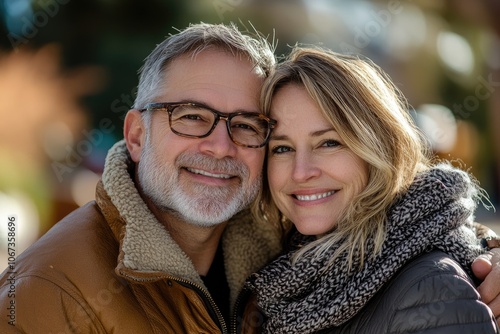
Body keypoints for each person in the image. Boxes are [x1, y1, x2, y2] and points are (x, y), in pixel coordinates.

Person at [0, 23, 498, 333]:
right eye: (191, 116)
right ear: (134, 134)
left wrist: (481, 258)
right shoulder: (49, 294)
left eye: (245, 126)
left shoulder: (278, 256)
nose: (220, 146)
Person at [246, 46, 500, 333]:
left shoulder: (434, 289)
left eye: (329, 143)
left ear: (378, 148)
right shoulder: (285, 278)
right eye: (282, 148)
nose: (301, 172)